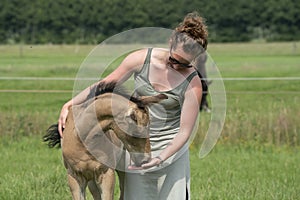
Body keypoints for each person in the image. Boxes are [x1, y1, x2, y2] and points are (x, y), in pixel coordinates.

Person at [58, 11, 208, 200]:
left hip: (171, 150)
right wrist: (69, 104)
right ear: (171, 41)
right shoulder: (141, 59)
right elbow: (104, 85)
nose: (176, 66)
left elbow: (185, 132)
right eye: (174, 59)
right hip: (136, 143)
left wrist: (161, 157)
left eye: (184, 64)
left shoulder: (193, 83)